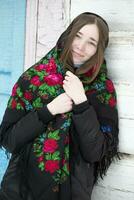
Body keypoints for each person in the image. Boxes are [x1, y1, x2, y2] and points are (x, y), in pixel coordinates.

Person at [0, 12, 119, 200]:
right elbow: (9, 140)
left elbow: (95, 152)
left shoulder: (102, 90)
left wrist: (81, 103)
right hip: (21, 191)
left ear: (99, 50)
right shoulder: (32, 79)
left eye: (91, 42)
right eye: (78, 36)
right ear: (68, 35)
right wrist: (49, 110)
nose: (81, 47)